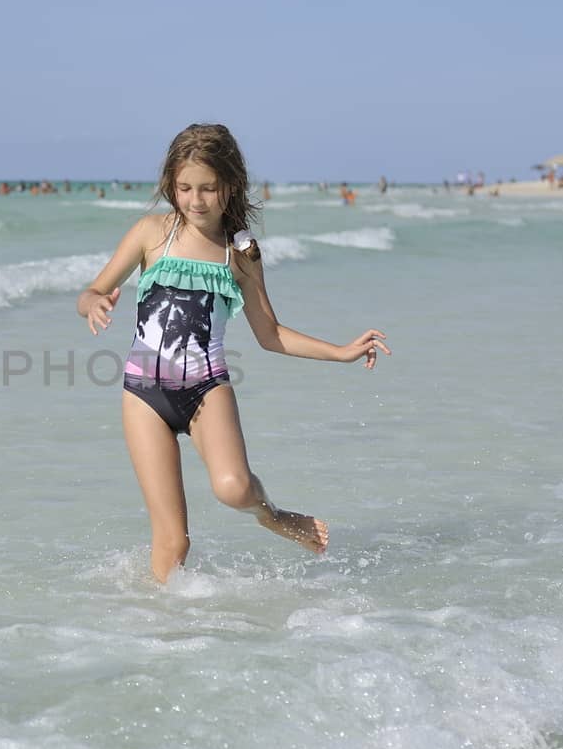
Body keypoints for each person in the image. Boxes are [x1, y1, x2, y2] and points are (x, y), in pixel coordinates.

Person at [77, 124, 390, 583]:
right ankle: (161, 631)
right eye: (184, 188)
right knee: (174, 539)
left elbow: (271, 334)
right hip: (143, 393)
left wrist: (340, 352)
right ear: (171, 185)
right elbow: (92, 290)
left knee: (234, 488)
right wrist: (94, 302)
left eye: (208, 188)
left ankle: (274, 515)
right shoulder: (150, 233)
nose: (195, 200)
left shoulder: (239, 254)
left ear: (230, 187)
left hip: (206, 387)